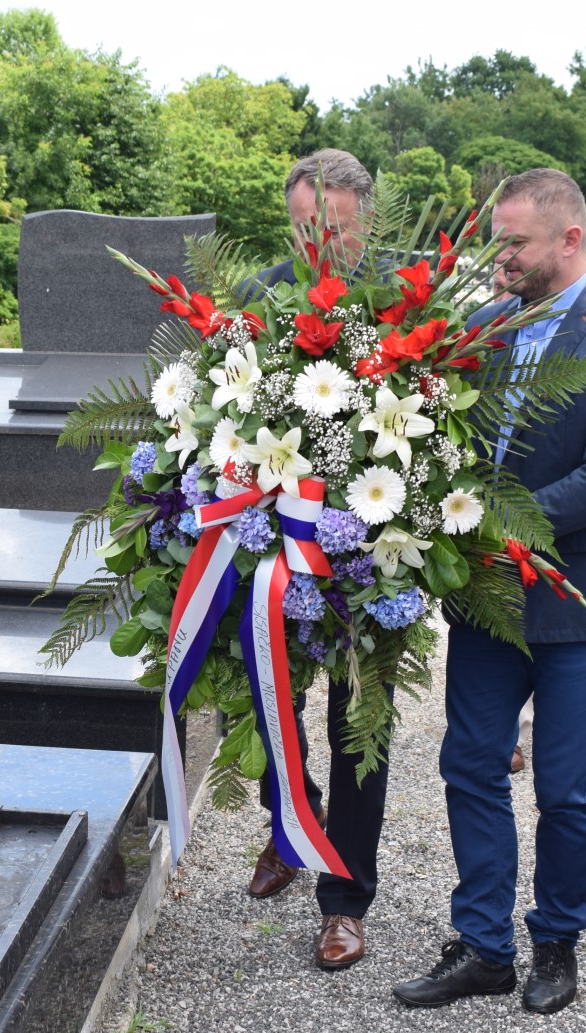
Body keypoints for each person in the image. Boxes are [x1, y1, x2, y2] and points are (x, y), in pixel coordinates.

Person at [392, 168, 586, 1014]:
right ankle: (483, 947)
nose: (498, 258)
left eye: (514, 243)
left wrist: (486, 527)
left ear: (570, 239)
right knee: (470, 765)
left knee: (565, 789)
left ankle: (556, 941)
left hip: (580, 598)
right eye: (495, 241)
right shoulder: (484, 328)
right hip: (487, 600)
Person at [242, 149, 388, 972]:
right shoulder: (261, 295)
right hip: (278, 539)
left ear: (364, 220)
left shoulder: (402, 300)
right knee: (269, 694)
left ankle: (346, 898)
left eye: (332, 230)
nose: (317, 247)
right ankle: (289, 825)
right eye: (303, 230)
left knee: (358, 721)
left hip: (369, 545)